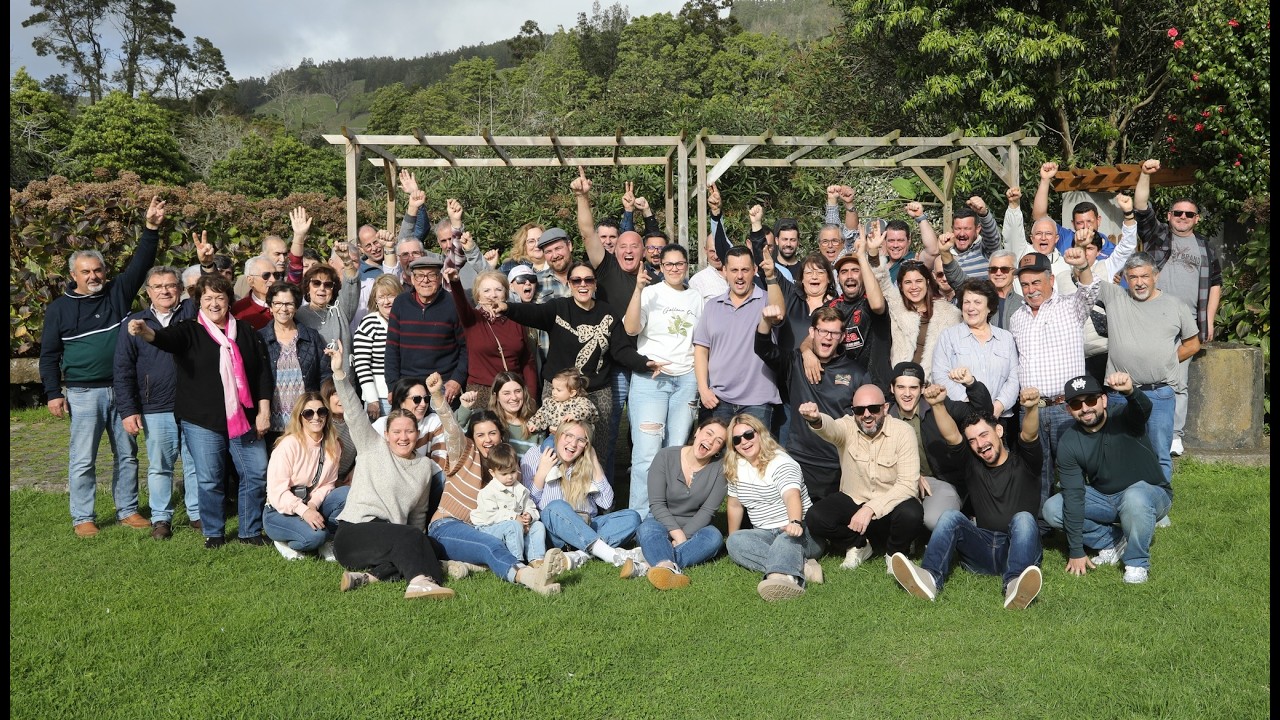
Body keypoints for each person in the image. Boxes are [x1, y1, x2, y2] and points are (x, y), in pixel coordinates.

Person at [43, 196, 165, 537]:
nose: (94, 275)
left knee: (127, 455)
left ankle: (127, 510)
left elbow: (141, 264)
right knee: (83, 459)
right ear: (73, 275)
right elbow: (49, 355)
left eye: (98, 270)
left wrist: (151, 228)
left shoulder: (117, 293)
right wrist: (54, 393)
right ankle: (83, 517)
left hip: (123, 389)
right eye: (86, 272)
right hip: (82, 393)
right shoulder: (58, 310)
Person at [127, 274, 274, 548]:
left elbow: (262, 375)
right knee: (209, 478)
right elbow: (163, 339)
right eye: (208, 298)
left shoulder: (246, 332)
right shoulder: (188, 330)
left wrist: (264, 411)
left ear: (229, 300)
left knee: (255, 472)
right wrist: (144, 331)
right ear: (199, 302)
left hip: (244, 419)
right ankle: (214, 532)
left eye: (220, 297)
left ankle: (249, 531)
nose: (215, 303)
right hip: (202, 421)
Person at [889, 387, 1046, 609]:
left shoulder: (1026, 462)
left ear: (999, 431)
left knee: (1023, 519)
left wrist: (1030, 408)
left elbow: (1029, 435)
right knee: (951, 516)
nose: (980, 444)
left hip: (1019, 548)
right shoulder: (972, 464)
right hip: (982, 548)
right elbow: (952, 436)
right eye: (972, 440)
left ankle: (1015, 584)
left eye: (984, 435)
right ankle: (929, 578)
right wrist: (937, 405)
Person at [492, 262, 657, 465]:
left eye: (588, 280)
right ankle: (555, 494)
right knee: (558, 448)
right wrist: (507, 308)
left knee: (597, 450)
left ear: (595, 285)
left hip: (596, 391)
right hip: (558, 391)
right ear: (569, 284)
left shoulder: (608, 313)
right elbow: (533, 313)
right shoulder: (558, 307)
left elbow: (621, 350)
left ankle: (600, 494)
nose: (583, 284)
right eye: (576, 280)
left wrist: (644, 363)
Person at [325, 345, 455, 600]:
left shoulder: (423, 467)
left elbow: (418, 514)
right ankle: (418, 582)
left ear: (417, 434)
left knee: (425, 542)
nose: (403, 437)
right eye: (397, 432)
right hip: (354, 534)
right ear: (386, 434)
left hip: (391, 537)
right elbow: (352, 410)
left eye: (409, 431)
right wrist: (339, 371)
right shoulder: (372, 446)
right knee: (410, 538)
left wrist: (421, 542)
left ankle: (368, 578)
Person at [424, 373, 569, 595]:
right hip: (448, 525)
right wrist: (438, 396)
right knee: (488, 546)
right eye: (480, 434)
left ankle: (462, 565)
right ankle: (528, 577)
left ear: (501, 436)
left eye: (492, 433)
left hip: (485, 527)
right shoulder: (464, 453)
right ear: (472, 437)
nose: (487, 439)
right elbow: (452, 430)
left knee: (511, 537)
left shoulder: (507, 466)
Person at [1041, 373, 1171, 584]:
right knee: (1053, 508)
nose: (1085, 408)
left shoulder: (1124, 417)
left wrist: (1130, 391)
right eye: (1076, 404)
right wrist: (1075, 551)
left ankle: (1137, 563)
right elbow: (1073, 494)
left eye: (1091, 400)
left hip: (1151, 494)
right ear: (1068, 410)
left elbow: (1143, 409)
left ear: (1104, 399)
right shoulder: (1069, 441)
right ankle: (1113, 542)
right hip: (1106, 498)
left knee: (1135, 497)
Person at [1134, 158, 1222, 458]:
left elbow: (1215, 284)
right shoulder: (1159, 237)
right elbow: (1142, 208)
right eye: (1178, 212)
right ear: (1169, 216)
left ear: (1197, 219)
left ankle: (1174, 436)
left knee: (1179, 382)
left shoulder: (1206, 248)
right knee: (1145, 378)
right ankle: (1143, 433)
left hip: (1189, 326)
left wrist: (1208, 322)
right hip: (1153, 321)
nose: (1183, 217)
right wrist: (1145, 174)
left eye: (1190, 214)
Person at [1009, 246, 1099, 514]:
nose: (1030, 289)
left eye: (1036, 281)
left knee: (1076, 469)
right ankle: (1042, 528)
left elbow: (1090, 291)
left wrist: (1082, 267)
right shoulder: (1017, 318)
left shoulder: (1070, 306)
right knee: (1037, 471)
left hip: (1065, 407)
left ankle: (1089, 520)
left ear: (1050, 280)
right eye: (1024, 284)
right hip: (1032, 410)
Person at [1097, 252, 1200, 483]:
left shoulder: (1175, 305)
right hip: (1119, 395)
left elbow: (1193, 344)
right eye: (1133, 277)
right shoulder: (1115, 297)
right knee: (1119, 451)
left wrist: (1168, 359)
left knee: (1159, 453)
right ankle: (1122, 500)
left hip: (1159, 393)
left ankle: (1160, 506)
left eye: (1145, 276)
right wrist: (1082, 258)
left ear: (1156, 276)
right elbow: (1086, 278)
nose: (1139, 282)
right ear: (1125, 277)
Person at [113, 265, 199, 540]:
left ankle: (197, 513)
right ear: (148, 292)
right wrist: (128, 410)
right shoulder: (136, 323)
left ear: (180, 289)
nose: (165, 291)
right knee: (160, 464)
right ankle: (161, 518)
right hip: (156, 406)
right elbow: (123, 370)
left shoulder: (192, 314)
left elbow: (213, 292)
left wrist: (205, 262)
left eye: (171, 285)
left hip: (194, 404)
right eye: (158, 286)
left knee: (195, 462)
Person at [799, 383, 922, 571]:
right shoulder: (847, 426)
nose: (866, 415)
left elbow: (907, 485)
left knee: (912, 512)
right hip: (854, 499)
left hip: (889, 503)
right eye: (859, 410)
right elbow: (831, 428)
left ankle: (895, 554)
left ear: (885, 408)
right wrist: (816, 420)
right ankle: (859, 544)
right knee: (816, 517)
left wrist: (871, 508)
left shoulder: (903, 432)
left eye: (873, 409)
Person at [755, 305, 868, 503]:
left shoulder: (856, 373)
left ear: (842, 337)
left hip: (837, 464)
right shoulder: (795, 362)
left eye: (834, 333)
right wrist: (765, 321)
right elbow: (763, 348)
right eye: (823, 331)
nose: (828, 337)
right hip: (798, 459)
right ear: (812, 332)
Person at [623, 243, 704, 515]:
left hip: (686, 380)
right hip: (651, 381)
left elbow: (701, 341)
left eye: (679, 264)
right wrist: (637, 290)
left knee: (676, 452)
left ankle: (668, 516)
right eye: (668, 264)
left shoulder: (696, 298)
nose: (674, 269)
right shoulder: (649, 293)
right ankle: (640, 516)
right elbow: (632, 328)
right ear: (660, 266)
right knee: (647, 453)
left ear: (686, 266)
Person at [723, 414, 823, 602]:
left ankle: (782, 580)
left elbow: (790, 494)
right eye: (737, 439)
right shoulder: (735, 466)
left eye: (748, 435)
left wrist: (794, 522)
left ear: (760, 433)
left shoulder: (781, 462)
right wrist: (732, 539)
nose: (744, 442)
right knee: (735, 542)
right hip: (765, 534)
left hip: (801, 532)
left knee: (785, 540)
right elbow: (735, 505)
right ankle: (802, 566)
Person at [521, 422, 643, 571]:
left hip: (587, 524)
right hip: (554, 530)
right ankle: (609, 554)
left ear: (586, 445)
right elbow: (528, 503)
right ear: (557, 436)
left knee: (632, 517)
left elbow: (606, 502)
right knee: (555, 507)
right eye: (569, 436)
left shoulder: (585, 461)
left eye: (581, 440)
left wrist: (594, 460)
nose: (573, 444)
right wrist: (541, 472)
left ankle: (579, 555)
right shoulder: (535, 455)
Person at [884, 362, 988, 530]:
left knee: (934, 520)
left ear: (922, 388)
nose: (907, 394)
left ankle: (964, 524)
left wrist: (971, 384)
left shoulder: (940, 406)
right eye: (901, 387)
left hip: (940, 482)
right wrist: (910, 475)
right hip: (901, 481)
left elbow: (983, 415)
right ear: (892, 388)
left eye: (913, 388)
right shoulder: (886, 418)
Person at [628, 418, 730, 590]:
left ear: (719, 449)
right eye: (708, 433)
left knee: (714, 537)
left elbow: (707, 511)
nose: (710, 441)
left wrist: (685, 534)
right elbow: (657, 503)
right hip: (661, 521)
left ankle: (652, 564)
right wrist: (679, 536)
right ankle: (667, 567)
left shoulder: (721, 470)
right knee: (647, 528)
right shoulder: (665, 456)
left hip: (695, 526)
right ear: (697, 432)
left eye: (718, 441)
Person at [694, 246, 781, 427]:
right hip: (718, 399)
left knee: (754, 455)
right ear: (724, 271)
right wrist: (703, 389)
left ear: (755, 271)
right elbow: (701, 350)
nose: (739, 276)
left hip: (757, 401)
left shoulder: (766, 300)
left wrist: (771, 276)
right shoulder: (712, 306)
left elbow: (779, 311)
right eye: (734, 270)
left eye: (745, 270)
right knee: (718, 454)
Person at [263, 393, 351, 560]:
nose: (316, 417)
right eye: (309, 413)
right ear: (300, 417)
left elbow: (328, 484)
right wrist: (304, 511)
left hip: (311, 504)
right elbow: (277, 493)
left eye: (321, 412)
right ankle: (283, 540)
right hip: (279, 511)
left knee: (346, 493)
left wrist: (312, 505)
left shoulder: (333, 445)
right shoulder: (288, 445)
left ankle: (327, 537)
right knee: (315, 537)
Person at [868, 224, 962, 378]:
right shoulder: (896, 305)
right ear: (900, 286)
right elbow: (881, 279)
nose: (914, 287)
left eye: (918, 281)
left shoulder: (949, 314)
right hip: (901, 382)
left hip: (934, 385)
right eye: (907, 282)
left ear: (927, 282)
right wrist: (873, 252)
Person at [447, 267, 537, 411]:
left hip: (513, 392)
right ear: (478, 295)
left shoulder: (516, 320)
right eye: (486, 290)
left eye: (498, 290)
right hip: (482, 393)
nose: (493, 295)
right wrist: (455, 283)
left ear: (506, 293)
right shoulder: (472, 319)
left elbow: (527, 361)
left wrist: (531, 397)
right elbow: (461, 304)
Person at [931, 279, 1020, 424]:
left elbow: (1013, 379)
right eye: (966, 302)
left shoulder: (1006, 338)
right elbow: (939, 375)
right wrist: (971, 406)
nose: (971, 308)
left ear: (989, 307)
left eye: (977, 302)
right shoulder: (949, 336)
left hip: (999, 418)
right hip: (962, 417)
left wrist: (998, 406)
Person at [385, 253, 467, 406]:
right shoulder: (401, 303)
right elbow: (392, 348)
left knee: (445, 430)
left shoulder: (453, 303)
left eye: (431, 275)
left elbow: (466, 347)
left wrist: (457, 379)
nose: (425, 280)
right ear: (412, 279)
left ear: (440, 278)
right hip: (408, 386)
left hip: (444, 387)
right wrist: (392, 386)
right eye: (420, 276)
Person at [259, 282, 330, 447]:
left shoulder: (311, 337)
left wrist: (321, 410)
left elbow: (324, 375)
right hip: (272, 424)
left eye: (289, 304)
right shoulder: (260, 338)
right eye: (278, 303)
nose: (283, 309)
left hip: (306, 419)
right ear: (270, 306)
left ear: (297, 306)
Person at [469, 443, 548, 565]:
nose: (510, 477)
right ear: (493, 472)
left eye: (513, 472)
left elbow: (530, 505)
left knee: (537, 526)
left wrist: (529, 515)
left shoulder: (520, 489)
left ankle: (536, 560)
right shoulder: (488, 492)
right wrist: (515, 518)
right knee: (513, 526)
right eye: (504, 474)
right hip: (489, 528)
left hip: (515, 526)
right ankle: (515, 563)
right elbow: (490, 516)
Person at [1032, 161, 1118, 257]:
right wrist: (1045, 179)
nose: (1085, 226)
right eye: (1079, 223)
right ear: (1073, 224)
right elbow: (1040, 217)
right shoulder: (1065, 238)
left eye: (1089, 221)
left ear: (1098, 220)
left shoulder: (1113, 251)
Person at [351, 274, 403, 421]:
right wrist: (372, 399)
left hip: (405, 395)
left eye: (391, 296)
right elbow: (362, 365)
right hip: (380, 398)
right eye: (381, 297)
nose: (386, 301)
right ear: (375, 300)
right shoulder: (370, 323)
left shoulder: (406, 322)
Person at [297, 260, 359, 363]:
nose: (322, 288)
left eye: (328, 285)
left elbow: (352, 285)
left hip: (343, 376)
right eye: (316, 283)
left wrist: (347, 261)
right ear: (308, 287)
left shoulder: (341, 310)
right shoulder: (298, 315)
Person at [372, 378, 446, 461]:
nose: (423, 404)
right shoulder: (380, 425)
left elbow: (441, 458)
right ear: (401, 401)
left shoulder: (434, 421)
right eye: (417, 399)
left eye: (426, 399)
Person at [482, 372, 544, 456]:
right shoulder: (490, 423)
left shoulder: (536, 424)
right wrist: (465, 408)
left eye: (517, 391)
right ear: (497, 397)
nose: (514, 397)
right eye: (507, 393)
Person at [527, 368, 599, 439]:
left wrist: (574, 415)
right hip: (555, 436)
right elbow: (542, 415)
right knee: (546, 446)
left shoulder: (580, 401)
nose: (554, 392)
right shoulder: (550, 402)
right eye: (553, 388)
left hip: (575, 438)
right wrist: (534, 423)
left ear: (572, 393)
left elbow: (585, 410)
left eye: (558, 390)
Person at [947, 198, 1003, 279]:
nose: (962, 234)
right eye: (958, 228)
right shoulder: (946, 253)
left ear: (977, 229)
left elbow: (992, 237)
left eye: (967, 228)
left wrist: (984, 214)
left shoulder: (986, 249)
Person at [319, 378, 357, 485]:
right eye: (336, 394)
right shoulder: (320, 423)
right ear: (327, 397)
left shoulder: (355, 421)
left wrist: (355, 471)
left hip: (348, 478)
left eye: (345, 393)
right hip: (324, 481)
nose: (343, 398)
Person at [230, 256, 282, 331]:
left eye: (276, 275)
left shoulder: (287, 304)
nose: (273, 280)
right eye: (266, 275)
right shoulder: (239, 310)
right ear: (250, 280)